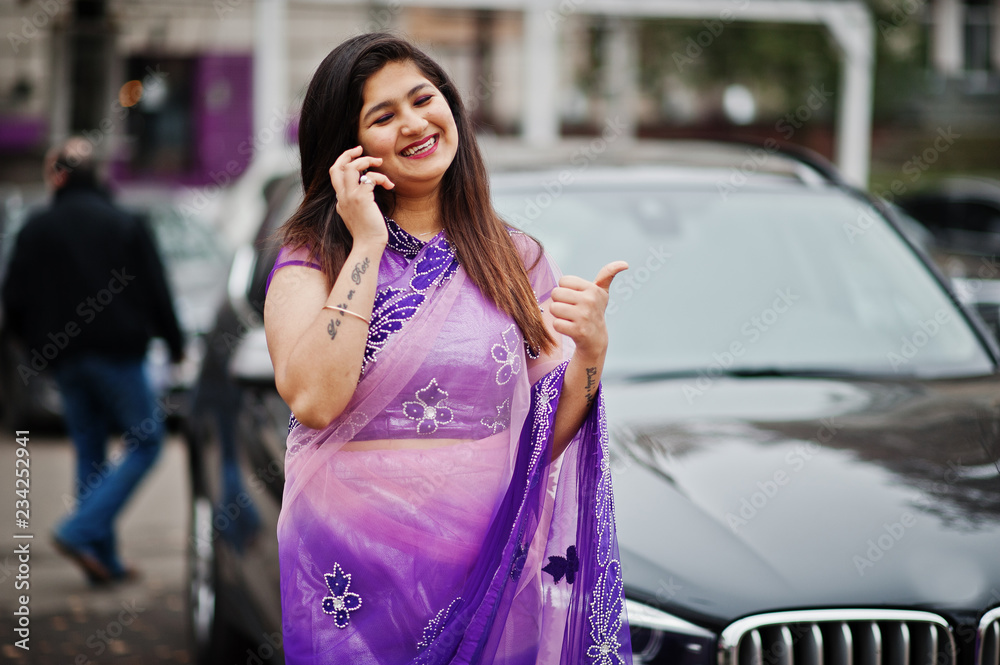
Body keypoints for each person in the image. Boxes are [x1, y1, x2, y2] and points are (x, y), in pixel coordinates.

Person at [264, 33, 632, 664]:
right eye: (383, 116)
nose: (414, 123)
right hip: (350, 568)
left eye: (422, 99)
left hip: (484, 563)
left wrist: (591, 351)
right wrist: (366, 245)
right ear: (347, 149)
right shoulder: (313, 257)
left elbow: (546, 433)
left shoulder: (512, 258)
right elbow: (316, 399)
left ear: (450, 106)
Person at [1, 137, 185, 583]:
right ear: (95, 176)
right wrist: (175, 343)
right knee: (147, 442)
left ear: (58, 177)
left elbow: (14, 300)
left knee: (90, 452)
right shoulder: (123, 222)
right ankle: (80, 530)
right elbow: (155, 288)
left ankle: (103, 562)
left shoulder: (35, 228)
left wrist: (34, 349)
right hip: (118, 356)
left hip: (65, 361)